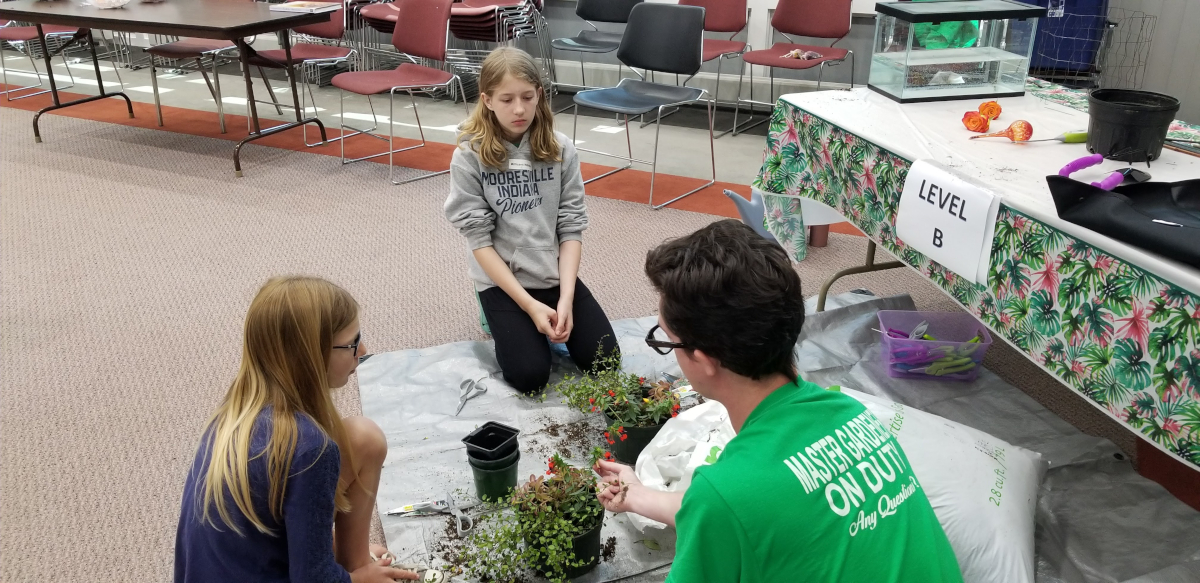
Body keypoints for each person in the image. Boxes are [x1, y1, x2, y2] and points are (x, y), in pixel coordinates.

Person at [593, 220, 963, 583]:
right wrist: (638, 495)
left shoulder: (727, 494)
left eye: (665, 339)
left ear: (704, 361)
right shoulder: (852, 415)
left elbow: (729, 507)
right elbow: (737, 510)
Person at [174, 276, 417, 583]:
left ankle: (351, 561)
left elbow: (266, 530)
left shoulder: (235, 413)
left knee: (362, 437)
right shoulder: (312, 449)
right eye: (352, 343)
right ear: (310, 356)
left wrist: (326, 548)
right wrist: (358, 581)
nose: (364, 350)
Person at [445, 47, 617, 394]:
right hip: (502, 280)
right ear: (487, 100)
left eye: (527, 96)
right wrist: (529, 306)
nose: (519, 109)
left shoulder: (562, 148)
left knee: (605, 362)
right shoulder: (468, 155)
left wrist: (565, 299)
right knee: (529, 376)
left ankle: (542, 309)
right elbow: (479, 240)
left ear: (540, 94)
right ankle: (492, 310)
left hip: (550, 272)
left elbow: (571, 226)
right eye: (506, 99)